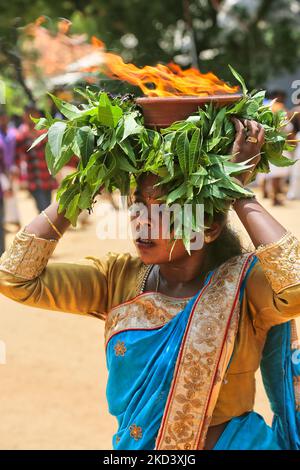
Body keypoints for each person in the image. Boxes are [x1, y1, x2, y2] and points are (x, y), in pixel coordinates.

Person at [0, 118, 299, 450]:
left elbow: (295, 286)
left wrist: (239, 193)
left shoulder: (245, 285)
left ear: (209, 228)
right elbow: (16, 278)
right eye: (137, 206)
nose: (142, 222)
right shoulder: (117, 278)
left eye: (163, 211)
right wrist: (82, 186)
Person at [17, 104, 58, 213]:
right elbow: (20, 159)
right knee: (42, 208)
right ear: (24, 116)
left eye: (33, 114)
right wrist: (22, 178)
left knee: (47, 206)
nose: (30, 117)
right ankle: (46, 229)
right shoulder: (22, 136)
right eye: (28, 114)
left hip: (46, 177)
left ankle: (47, 229)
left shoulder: (45, 133)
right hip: (33, 179)